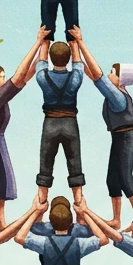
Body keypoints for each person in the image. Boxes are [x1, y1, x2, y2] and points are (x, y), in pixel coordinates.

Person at [0, 27, 50, 234]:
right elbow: (18, 77)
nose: (4, 79)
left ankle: (1, 223)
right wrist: (37, 44)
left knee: (2, 185)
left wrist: (43, 51)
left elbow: (24, 77)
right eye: (1, 76)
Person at [70, 27, 133, 227]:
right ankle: (117, 219)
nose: (110, 74)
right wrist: (76, 52)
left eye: (113, 72)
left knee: (126, 178)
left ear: (121, 79)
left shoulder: (118, 96)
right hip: (119, 137)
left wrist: (81, 43)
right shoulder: (116, 93)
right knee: (113, 179)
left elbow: (98, 77)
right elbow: (95, 76)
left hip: (127, 137)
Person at [33, 40, 87, 205]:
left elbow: (40, 63)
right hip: (70, 123)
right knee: (75, 164)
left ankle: (40, 207)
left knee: (45, 165)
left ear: (51, 57)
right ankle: (80, 208)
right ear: (68, 57)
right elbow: (78, 63)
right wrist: (75, 44)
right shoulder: (76, 77)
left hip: (50, 123)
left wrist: (44, 42)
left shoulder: (42, 77)